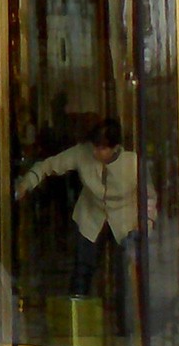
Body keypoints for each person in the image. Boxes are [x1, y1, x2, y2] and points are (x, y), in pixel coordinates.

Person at [13, 118, 139, 297]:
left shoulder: (133, 163)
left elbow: (148, 196)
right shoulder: (82, 153)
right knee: (83, 268)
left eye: (102, 148)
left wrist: (145, 223)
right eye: (94, 146)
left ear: (115, 147)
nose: (96, 152)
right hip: (90, 216)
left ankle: (124, 312)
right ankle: (79, 308)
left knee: (124, 272)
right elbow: (49, 165)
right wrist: (27, 183)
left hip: (125, 220)